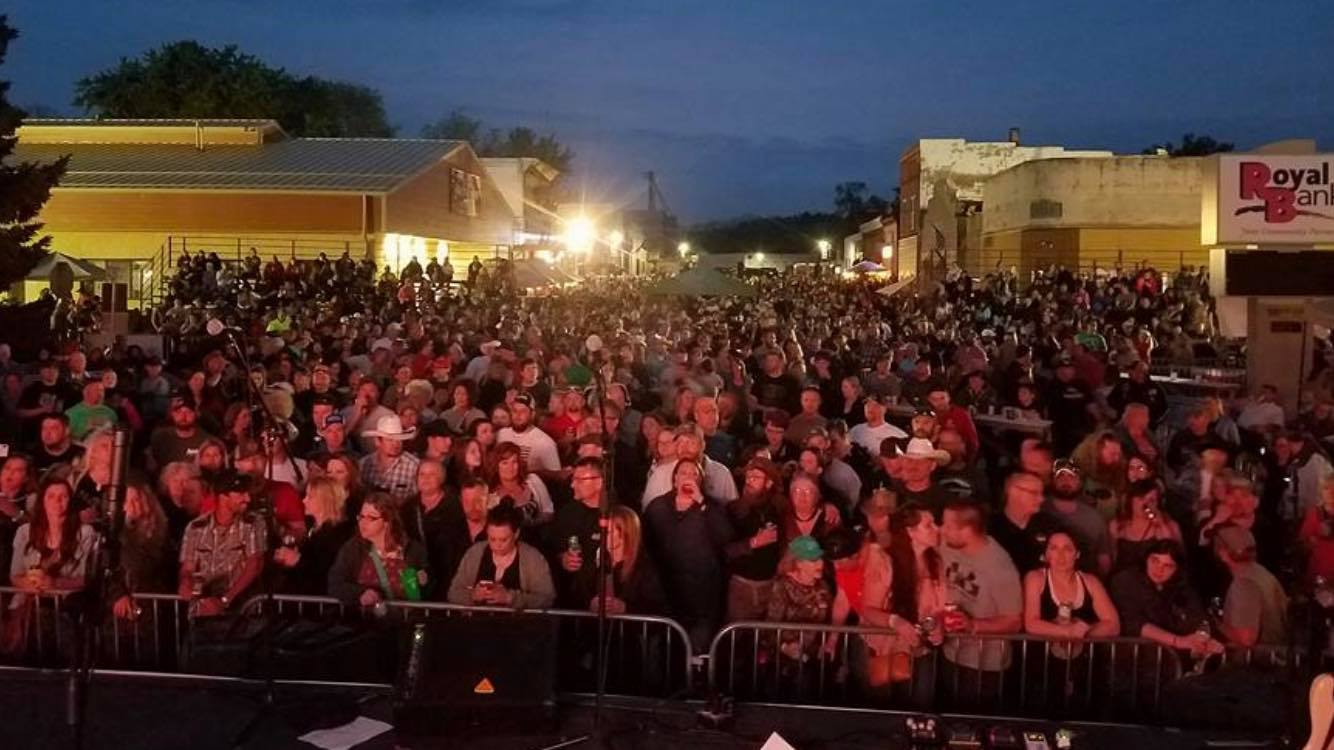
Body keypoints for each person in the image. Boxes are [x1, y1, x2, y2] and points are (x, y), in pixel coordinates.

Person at [643, 459, 734, 651]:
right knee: (667, 648)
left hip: (702, 595)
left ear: (700, 481)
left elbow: (726, 536)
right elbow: (646, 544)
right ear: (674, 479)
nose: (688, 477)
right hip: (667, 592)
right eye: (683, 473)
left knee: (697, 649)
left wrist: (702, 502)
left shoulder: (711, 507)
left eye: (694, 474)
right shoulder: (657, 506)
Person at [939, 500, 1023, 698]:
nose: (942, 530)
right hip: (950, 652)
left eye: (948, 526)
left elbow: (1013, 621)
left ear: (966, 531)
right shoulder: (947, 546)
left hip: (984, 664)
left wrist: (973, 625)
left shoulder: (1000, 566)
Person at [1110, 540, 1223, 657]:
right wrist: (1178, 641)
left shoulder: (1183, 587)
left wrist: (1204, 640)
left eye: (1168, 566)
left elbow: (1199, 619)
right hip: (1136, 656)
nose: (1159, 569)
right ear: (1146, 559)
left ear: (1177, 569)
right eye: (1155, 560)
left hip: (1174, 658)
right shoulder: (1125, 581)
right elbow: (1133, 623)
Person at [177, 470, 266, 616]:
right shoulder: (196, 527)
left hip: (241, 609)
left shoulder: (253, 523)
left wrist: (225, 600)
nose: (248, 499)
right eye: (241, 494)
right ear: (223, 497)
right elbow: (188, 568)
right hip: (203, 609)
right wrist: (185, 582)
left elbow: (255, 564)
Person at [1021, 531, 1120, 661]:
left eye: (1067, 549)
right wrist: (1067, 631)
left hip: (1085, 664)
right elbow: (1031, 623)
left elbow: (1113, 625)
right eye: (1054, 548)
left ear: (1077, 554)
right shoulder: (1035, 578)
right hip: (1043, 663)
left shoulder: (1090, 581)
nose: (1061, 555)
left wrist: (1085, 631)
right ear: (1046, 554)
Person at [447, 500, 556, 609]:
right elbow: (453, 593)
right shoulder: (475, 553)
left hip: (518, 624)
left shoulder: (533, 559)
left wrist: (510, 597)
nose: (497, 545)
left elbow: (547, 598)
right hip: (478, 623)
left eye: (503, 540)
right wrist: (473, 595)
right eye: (492, 539)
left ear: (516, 534)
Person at [329, 492, 431, 608]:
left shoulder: (412, 550)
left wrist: (424, 581)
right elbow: (335, 583)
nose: (363, 522)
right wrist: (360, 593)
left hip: (404, 621)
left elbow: (427, 590)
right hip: (362, 621)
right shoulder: (353, 548)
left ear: (387, 521)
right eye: (361, 516)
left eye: (371, 517)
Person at [9, 478, 96, 594]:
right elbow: (15, 576)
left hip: (68, 603)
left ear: (70, 501)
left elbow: (86, 578)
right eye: (51, 496)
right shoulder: (24, 532)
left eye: (63, 496)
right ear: (42, 501)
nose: (57, 501)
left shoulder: (85, 533)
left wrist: (54, 583)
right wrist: (31, 585)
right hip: (30, 601)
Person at [724, 458, 785, 622]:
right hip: (741, 586)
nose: (749, 481)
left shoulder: (780, 509)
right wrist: (753, 542)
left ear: (769, 483)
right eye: (748, 476)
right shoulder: (733, 510)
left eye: (756, 477)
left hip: (772, 585)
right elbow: (723, 550)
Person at [273, 476, 354, 595]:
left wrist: (297, 561)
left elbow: (326, 571)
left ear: (325, 500)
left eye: (310, 497)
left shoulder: (337, 535)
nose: (304, 501)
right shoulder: (314, 530)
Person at [548, 457, 608, 608]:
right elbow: (552, 547)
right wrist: (562, 558)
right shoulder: (566, 514)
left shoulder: (617, 516)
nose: (573, 485)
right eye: (573, 479)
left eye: (579, 480)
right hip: (572, 599)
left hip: (605, 599)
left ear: (599, 482)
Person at [1213, 526, 1287, 647]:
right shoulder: (1262, 573)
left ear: (1223, 553)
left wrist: (1216, 626)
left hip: (1257, 661)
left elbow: (1246, 639)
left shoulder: (1244, 584)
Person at [766, 536, 833, 667]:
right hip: (785, 659)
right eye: (813, 560)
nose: (820, 564)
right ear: (798, 563)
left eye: (820, 558)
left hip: (816, 657)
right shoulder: (782, 587)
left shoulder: (824, 586)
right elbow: (769, 627)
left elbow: (830, 621)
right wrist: (785, 647)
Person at [1042, 461, 1113, 575]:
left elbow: (1104, 559)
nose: (1066, 480)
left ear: (1080, 483)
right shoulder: (1038, 508)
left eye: (1071, 476)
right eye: (1061, 476)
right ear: (1052, 480)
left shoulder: (1094, 517)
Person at [989, 471, 1060, 573]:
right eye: (1034, 493)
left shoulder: (1050, 526)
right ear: (1013, 492)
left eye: (1041, 493)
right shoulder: (990, 529)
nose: (1041, 499)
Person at [1109, 479, 1183, 574]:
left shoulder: (1166, 526)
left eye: (1151, 500)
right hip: (1122, 581)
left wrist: (1161, 524)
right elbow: (1111, 559)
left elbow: (1173, 555)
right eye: (1141, 499)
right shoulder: (1117, 525)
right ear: (1131, 500)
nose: (1146, 504)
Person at [495, 394, 563, 479]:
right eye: (515, 411)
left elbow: (556, 475)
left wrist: (532, 473)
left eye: (523, 411)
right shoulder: (502, 434)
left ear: (532, 414)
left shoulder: (545, 442)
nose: (518, 415)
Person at [487, 441, 553, 526]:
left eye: (514, 462)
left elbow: (549, 512)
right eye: (505, 463)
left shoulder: (533, 480)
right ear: (496, 466)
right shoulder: (491, 495)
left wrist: (533, 523)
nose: (510, 467)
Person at [358, 414, 421, 502]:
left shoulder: (414, 466)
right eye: (390, 440)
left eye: (399, 440)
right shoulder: (364, 464)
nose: (395, 444)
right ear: (377, 441)